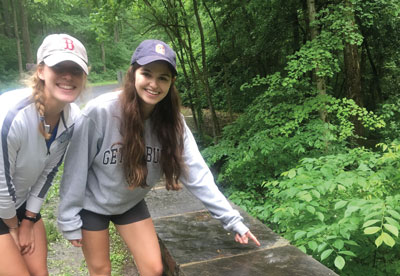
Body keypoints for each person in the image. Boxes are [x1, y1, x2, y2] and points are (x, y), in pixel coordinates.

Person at [57, 39, 260, 276]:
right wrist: (68, 219)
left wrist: (232, 220)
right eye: (147, 74)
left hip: (129, 203)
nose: (154, 84)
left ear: (171, 82)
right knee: (101, 270)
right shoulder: (101, 111)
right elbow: (75, 168)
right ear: (133, 74)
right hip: (92, 204)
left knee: (154, 269)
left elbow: (197, 174)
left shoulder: (174, 123)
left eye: (163, 77)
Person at [0, 33, 88, 276]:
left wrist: (28, 220)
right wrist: (14, 228)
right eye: (59, 67)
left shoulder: (72, 120)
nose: (68, 76)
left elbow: (48, 172)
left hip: (18, 206)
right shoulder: (11, 115)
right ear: (41, 70)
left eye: (76, 69)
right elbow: (1, 184)